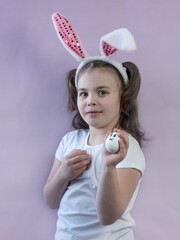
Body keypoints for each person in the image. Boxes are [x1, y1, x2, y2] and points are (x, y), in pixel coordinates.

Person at [43, 12, 145, 240]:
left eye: (102, 92)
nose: (90, 100)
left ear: (123, 99)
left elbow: (108, 216)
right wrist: (64, 175)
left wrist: (108, 167)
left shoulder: (127, 148)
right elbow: (50, 200)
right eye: (83, 93)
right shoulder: (70, 141)